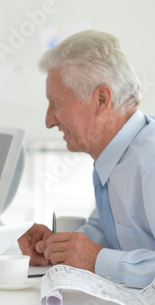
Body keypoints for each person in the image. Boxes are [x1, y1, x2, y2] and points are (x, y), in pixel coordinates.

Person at [17, 30, 155, 289]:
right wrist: (54, 246)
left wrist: (99, 261)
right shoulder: (112, 157)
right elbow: (109, 231)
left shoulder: (150, 162)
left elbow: (101, 256)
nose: (48, 121)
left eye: (55, 103)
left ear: (101, 99)